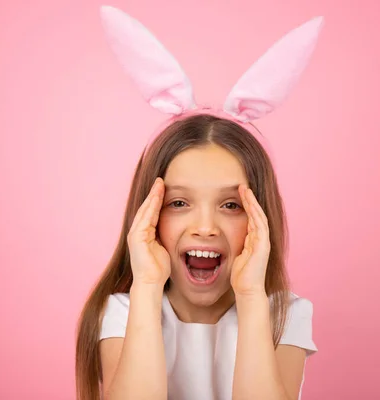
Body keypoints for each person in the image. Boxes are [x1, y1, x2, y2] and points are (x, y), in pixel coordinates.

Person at [75, 5, 324, 400]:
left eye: (230, 205)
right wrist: (147, 286)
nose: (205, 226)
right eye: (178, 204)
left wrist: (250, 297)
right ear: (148, 217)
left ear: (261, 219)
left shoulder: (283, 315)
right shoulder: (123, 312)